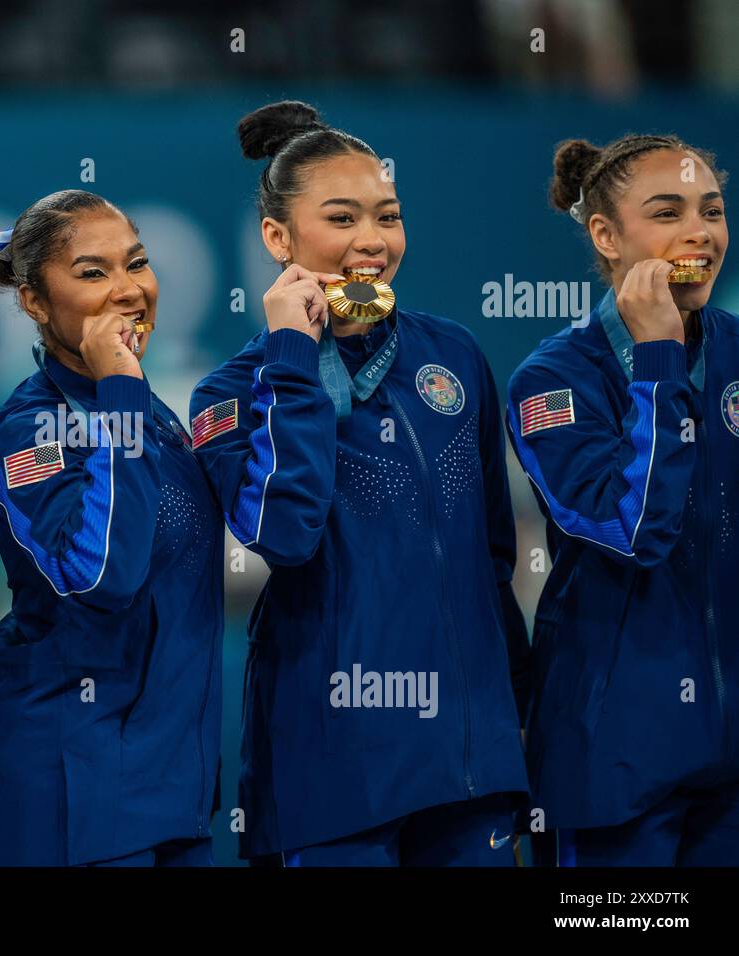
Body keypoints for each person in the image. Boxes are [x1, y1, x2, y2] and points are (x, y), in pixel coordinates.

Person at [192, 100, 530, 866]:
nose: (372, 242)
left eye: (389, 216)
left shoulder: (457, 356)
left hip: (469, 757)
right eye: (342, 219)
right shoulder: (232, 392)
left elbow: (493, 559)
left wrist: (515, 708)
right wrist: (291, 355)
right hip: (333, 757)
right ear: (278, 238)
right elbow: (284, 531)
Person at [0, 190, 223, 866]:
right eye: (92, 273)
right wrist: (120, 400)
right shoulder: (28, 429)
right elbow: (102, 576)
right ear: (33, 303)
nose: (128, 290)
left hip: (170, 786)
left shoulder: (152, 415)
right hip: (67, 789)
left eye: (135, 263)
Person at [508, 133, 738, 865]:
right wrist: (659, 359)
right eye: (668, 212)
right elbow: (633, 528)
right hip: (612, 757)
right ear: (605, 235)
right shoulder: (552, 380)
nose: (699, 231)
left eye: (713, 210)